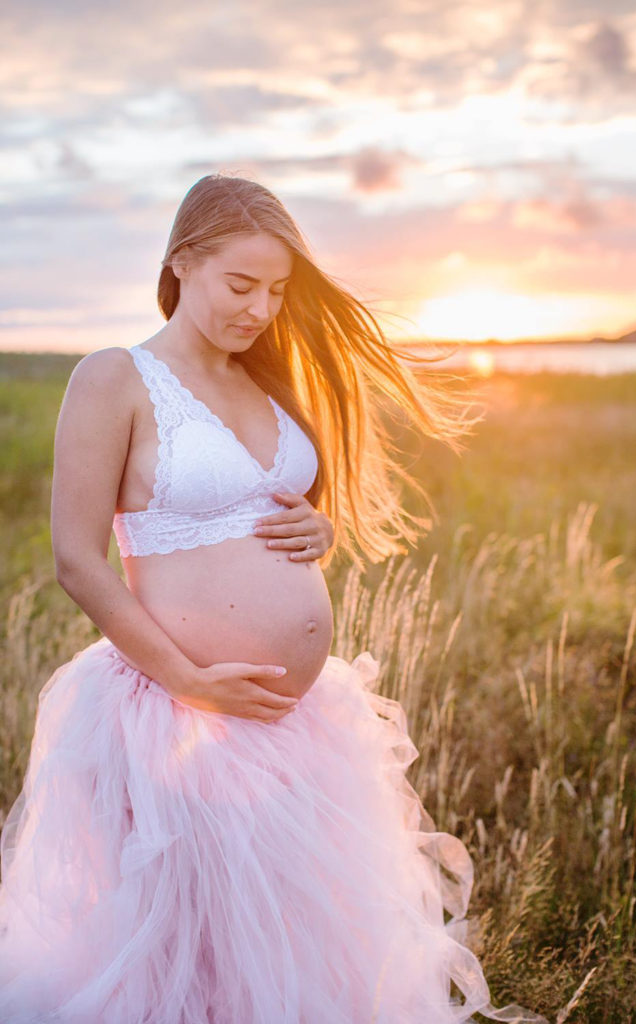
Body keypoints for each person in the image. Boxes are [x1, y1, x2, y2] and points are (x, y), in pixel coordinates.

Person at [0, 174, 546, 1023]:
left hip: (297, 727)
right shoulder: (116, 378)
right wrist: (189, 682)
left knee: (294, 955)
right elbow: (77, 557)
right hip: (178, 717)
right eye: (240, 285)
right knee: (182, 962)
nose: (260, 309)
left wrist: (318, 534)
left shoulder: (269, 382)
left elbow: (268, 512)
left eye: (278, 290)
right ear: (182, 262)